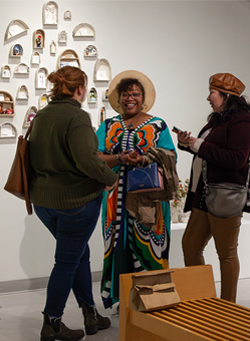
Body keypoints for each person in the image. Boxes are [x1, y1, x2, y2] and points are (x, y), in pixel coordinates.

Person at [29, 66, 117, 341]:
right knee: (66, 262)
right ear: (80, 89)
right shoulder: (77, 118)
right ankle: (52, 323)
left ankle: (90, 314)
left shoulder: (41, 116)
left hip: (44, 203)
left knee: (79, 254)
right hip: (75, 202)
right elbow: (87, 160)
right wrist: (110, 178)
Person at [95, 70, 177, 308]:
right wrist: (120, 157)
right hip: (114, 199)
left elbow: (171, 155)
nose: (130, 98)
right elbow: (96, 156)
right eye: (125, 94)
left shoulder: (157, 124)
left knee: (149, 245)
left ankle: (154, 300)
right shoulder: (108, 125)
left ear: (143, 98)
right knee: (116, 245)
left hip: (149, 198)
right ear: (118, 98)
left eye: (135, 94)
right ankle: (124, 299)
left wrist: (143, 158)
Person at [174, 72, 250, 303]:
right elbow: (207, 150)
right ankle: (203, 299)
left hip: (225, 196)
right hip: (205, 194)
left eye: (212, 92)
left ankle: (228, 306)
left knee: (227, 254)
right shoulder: (218, 119)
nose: (208, 97)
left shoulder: (243, 122)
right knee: (190, 245)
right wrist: (187, 144)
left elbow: (235, 160)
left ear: (227, 95)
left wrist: (199, 145)